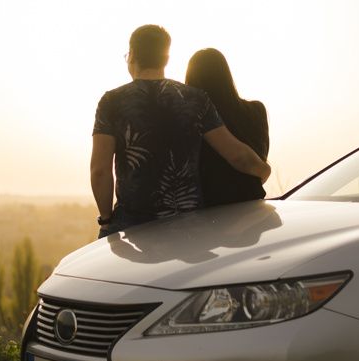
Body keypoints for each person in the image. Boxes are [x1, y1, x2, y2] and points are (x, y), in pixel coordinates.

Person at [91, 25, 270, 237]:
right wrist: (264, 170)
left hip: (132, 225)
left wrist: (106, 219)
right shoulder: (195, 99)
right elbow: (236, 154)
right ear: (166, 59)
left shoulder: (111, 102)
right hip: (188, 225)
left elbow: (100, 171)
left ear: (131, 56)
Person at [185, 48, 269, 207]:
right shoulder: (256, 110)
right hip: (253, 204)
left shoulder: (191, 118)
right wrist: (265, 171)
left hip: (209, 209)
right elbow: (259, 158)